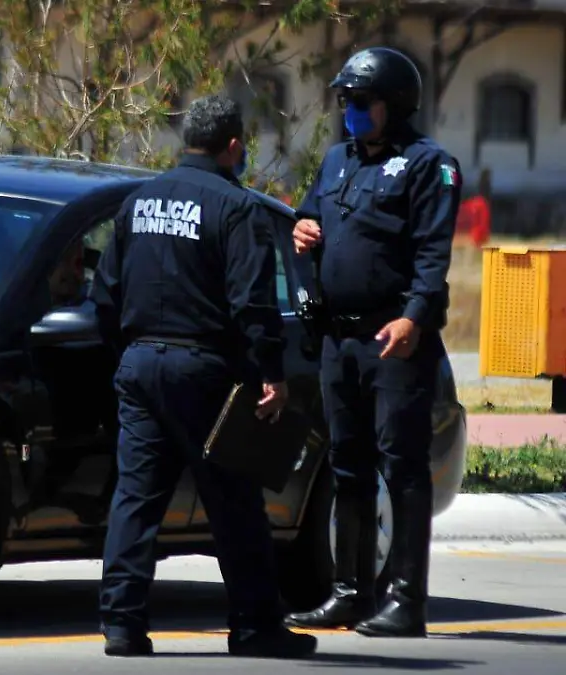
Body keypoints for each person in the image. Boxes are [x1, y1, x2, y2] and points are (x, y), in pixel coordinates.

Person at [91, 93, 318, 660]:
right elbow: (253, 303)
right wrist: (273, 373)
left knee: (135, 499)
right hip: (206, 371)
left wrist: (129, 355)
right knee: (235, 501)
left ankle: (121, 624)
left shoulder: (138, 201)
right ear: (234, 146)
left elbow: (105, 295)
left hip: (140, 365)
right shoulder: (236, 208)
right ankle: (255, 625)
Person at [283, 47, 462, 639]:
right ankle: (349, 592)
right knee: (348, 466)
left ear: (396, 104)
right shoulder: (337, 161)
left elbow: (433, 257)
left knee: (402, 466)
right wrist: (302, 230)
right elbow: (310, 222)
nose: (351, 113)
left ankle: (407, 599)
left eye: (363, 102)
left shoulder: (428, 166)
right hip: (340, 339)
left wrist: (414, 318)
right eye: (346, 103)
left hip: (395, 341)